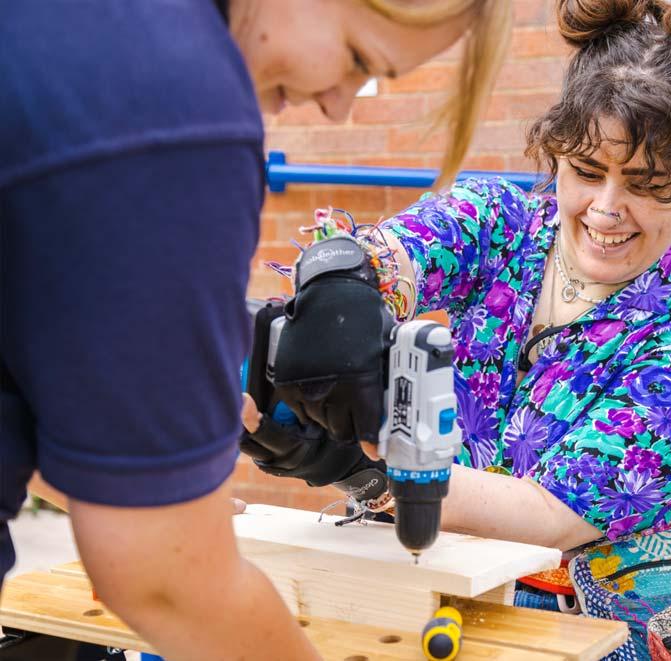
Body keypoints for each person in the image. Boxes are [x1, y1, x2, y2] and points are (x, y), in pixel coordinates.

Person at [241, 0, 671, 654]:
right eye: (586, 170)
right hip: (452, 584)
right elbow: (401, 253)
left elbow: (551, 517)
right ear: (557, 149)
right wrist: (343, 284)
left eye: (647, 184)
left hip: (599, 623)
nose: (607, 209)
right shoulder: (501, 225)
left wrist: (373, 469)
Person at [0, 1, 510, 659]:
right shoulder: (179, 103)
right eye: (358, 58)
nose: (337, 107)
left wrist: (144, 454)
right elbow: (163, 580)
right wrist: (169, 516)